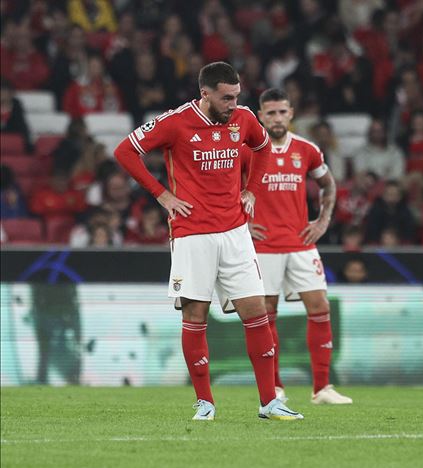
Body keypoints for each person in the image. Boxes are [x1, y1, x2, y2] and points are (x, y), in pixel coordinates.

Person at [113, 62, 302, 421]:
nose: (233, 103)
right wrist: (162, 196)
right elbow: (125, 152)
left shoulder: (244, 119)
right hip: (191, 234)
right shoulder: (175, 122)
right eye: (226, 97)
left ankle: (269, 402)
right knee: (195, 315)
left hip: (235, 233)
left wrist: (251, 190)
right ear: (205, 93)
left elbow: (262, 149)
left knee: (256, 313)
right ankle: (205, 402)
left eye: (236, 96)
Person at [246, 88, 352, 405]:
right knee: (267, 314)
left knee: (320, 306)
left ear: (291, 114)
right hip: (263, 246)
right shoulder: (247, 150)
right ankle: (275, 387)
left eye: (282, 112)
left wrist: (322, 222)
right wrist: (243, 224)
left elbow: (328, 184)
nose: (277, 118)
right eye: (271, 113)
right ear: (261, 116)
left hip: (300, 244)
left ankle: (322, 388)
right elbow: (225, 189)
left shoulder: (306, 149)